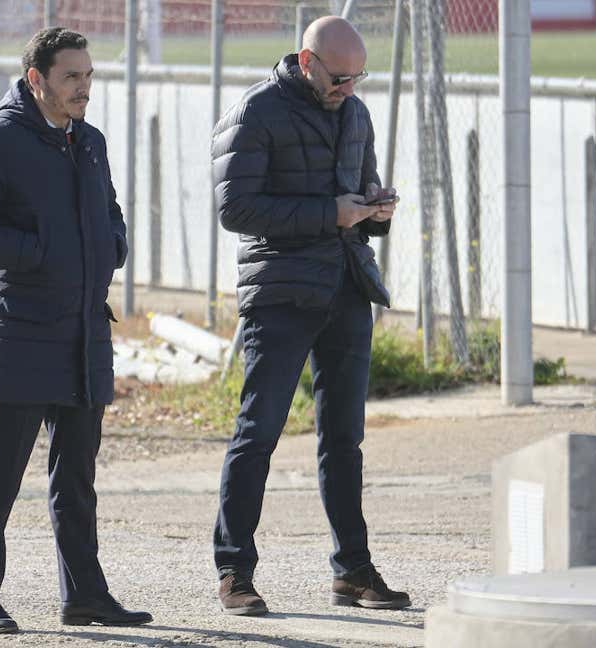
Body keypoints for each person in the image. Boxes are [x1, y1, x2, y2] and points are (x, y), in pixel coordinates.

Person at [0, 27, 152, 635]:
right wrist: (38, 252)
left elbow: (109, 212)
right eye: (71, 78)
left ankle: (85, 596)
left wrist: (112, 245)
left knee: (76, 478)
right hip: (20, 336)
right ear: (37, 80)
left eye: (88, 75)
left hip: (84, 332)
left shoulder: (90, 142)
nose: (84, 88)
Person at [210, 16, 411, 616]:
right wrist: (332, 213)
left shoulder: (355, 112)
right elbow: (235, 207)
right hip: (280, 292)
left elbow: (360, 192)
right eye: (340, 78)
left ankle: (352, 570)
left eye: (358, 78)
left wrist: (377, 209)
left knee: (344, 440)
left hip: (346, 288)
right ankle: (233, 571)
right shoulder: (256, 112)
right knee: (259, 432)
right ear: (306, 61)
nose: (349, 89)